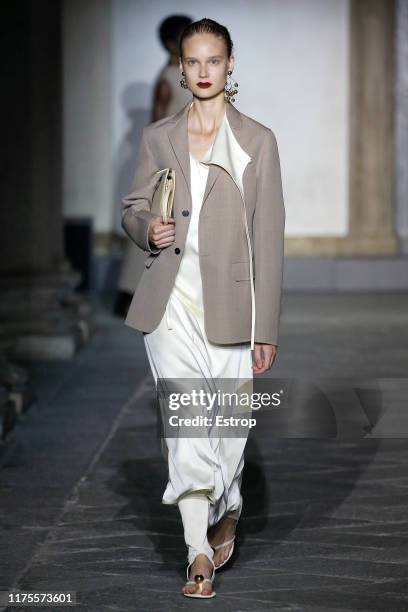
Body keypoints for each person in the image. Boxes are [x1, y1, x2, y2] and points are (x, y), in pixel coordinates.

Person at [121, 17, 285, 599]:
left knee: (228, 427)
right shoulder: (159, 137)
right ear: (183, 66)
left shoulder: (257, 141)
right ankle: (196, 551)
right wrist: (148, 227)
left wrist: (266, 325)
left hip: (233, 305)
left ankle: (231, 505)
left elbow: (269, 237)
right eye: (193, 62)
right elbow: (133, 207)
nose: (203, 71)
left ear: (230, 63)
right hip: (170, 302)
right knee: (188, 425)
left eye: (213, 60)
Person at [115, 15, 193, 318]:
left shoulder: (186, 74)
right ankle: (130, 294)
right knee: (155, 225)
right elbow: (156, 123)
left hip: (187, 159)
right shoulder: (168, 78)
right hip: (168, 165)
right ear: (171, 43)